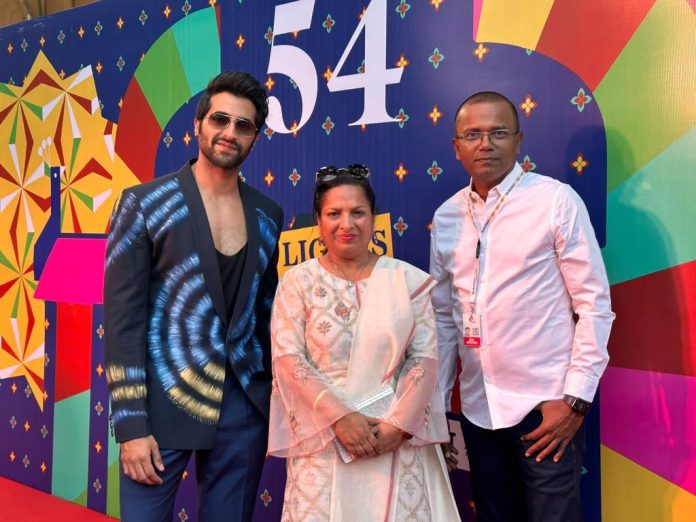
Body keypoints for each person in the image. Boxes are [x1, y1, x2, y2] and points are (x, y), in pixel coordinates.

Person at [104, 71, 283, 522]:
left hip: (242, 410)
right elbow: (123, 322)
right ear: (199, 124)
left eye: (243, 125)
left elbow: (265, 313)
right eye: (220, 119)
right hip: (162, 404)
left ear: (255, 137)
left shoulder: (268, 215)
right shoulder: (145, 203)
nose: (230, 132)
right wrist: (130, 425)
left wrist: (266, 400)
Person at [430, 91, 615, 521]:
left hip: (545, 411)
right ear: (456, 147)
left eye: (498, 132)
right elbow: (442, 319)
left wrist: (575, 401)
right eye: (472, 134)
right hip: (478, 411)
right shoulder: (446, 217)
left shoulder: (554, 201)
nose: (485, 144)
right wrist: (437, 409)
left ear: (518, 140)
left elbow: (594, 304)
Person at [268, 165, 460, 521]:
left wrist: (397, 427)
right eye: (334, 214)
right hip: (324, 444)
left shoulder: (406, 281)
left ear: (373, 218)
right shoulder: (298, 282)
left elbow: (424, 359)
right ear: (318, 221)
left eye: (358, 212)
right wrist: (341, 418)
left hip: (395, 441)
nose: (347, 224)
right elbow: (288, 360)